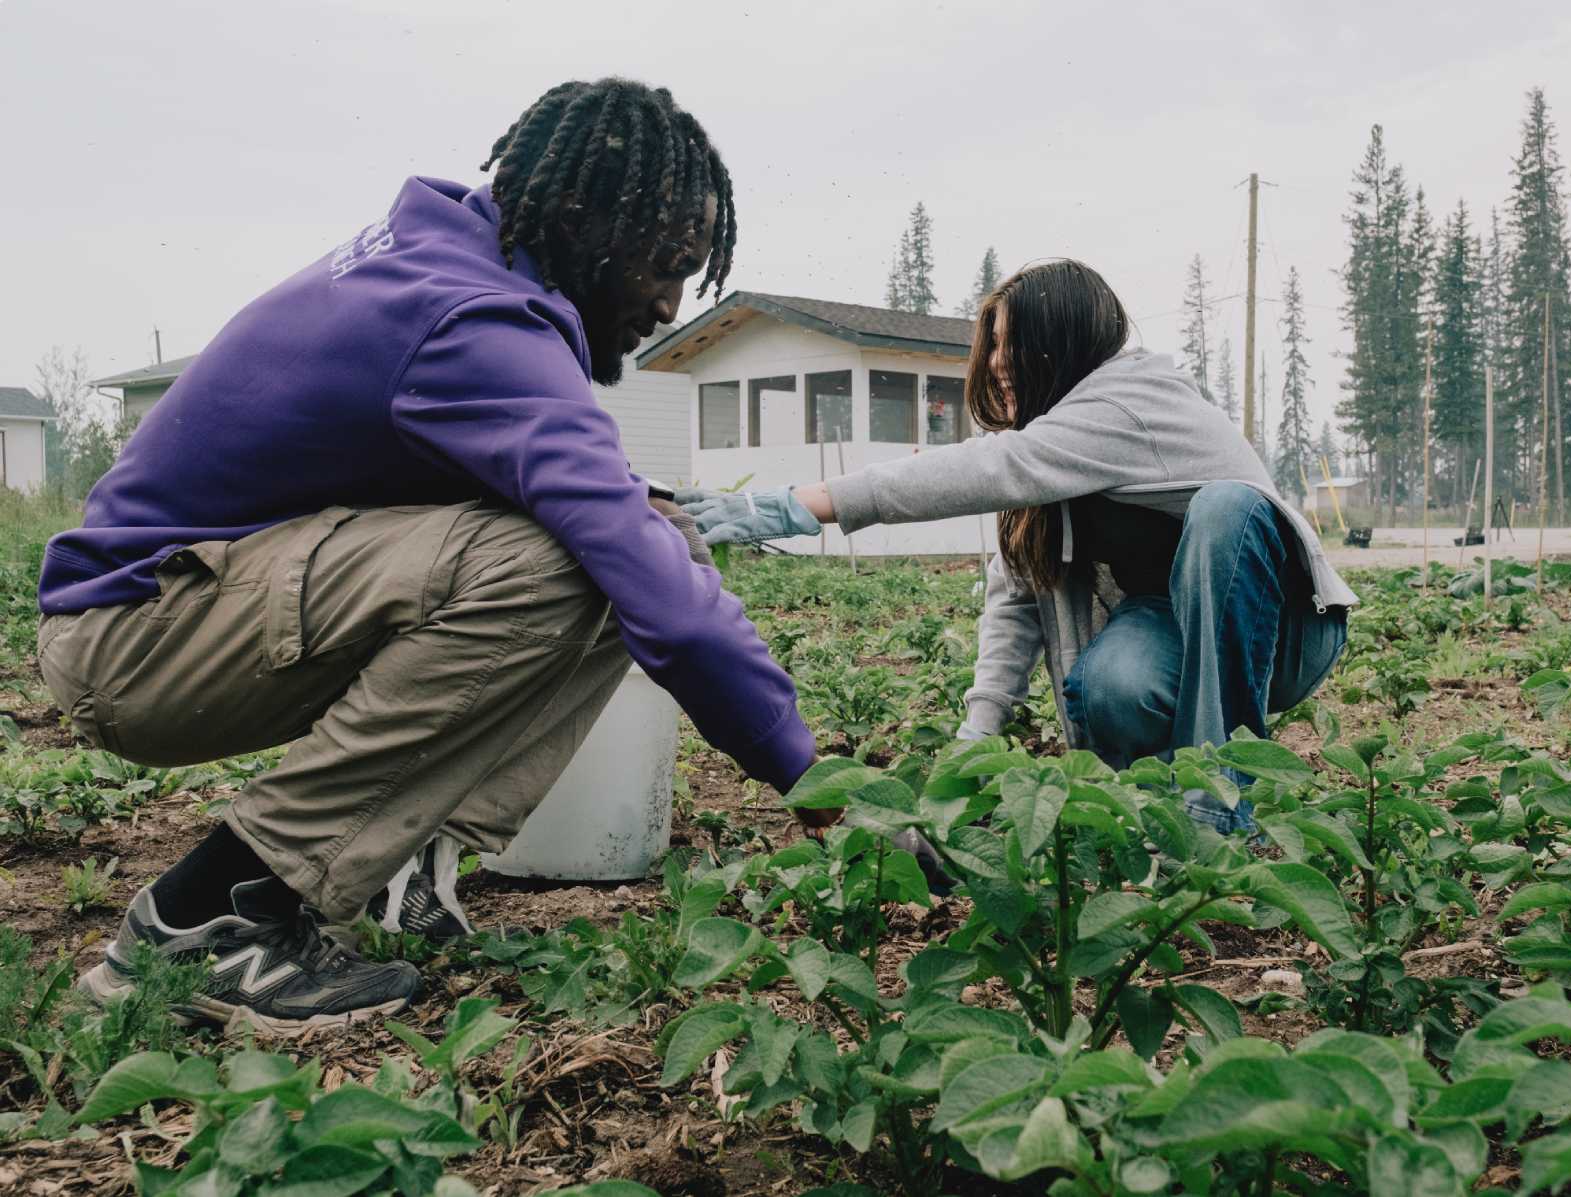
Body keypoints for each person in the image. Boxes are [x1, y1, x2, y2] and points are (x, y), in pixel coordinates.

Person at [38, 78, 819, 1034]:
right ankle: (215, 913)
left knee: (652, 535)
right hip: (135, 635)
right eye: (664, 264)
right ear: (583, 220)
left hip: (183, 608)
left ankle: (408, 849)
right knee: (587, 563)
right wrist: (816, 782)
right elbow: (650, 581)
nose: (668, 302)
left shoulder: (449, 264)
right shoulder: (473, 320)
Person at [682, 259, 1356, 831]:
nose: (999, 362)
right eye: (995, 343)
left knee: (1226, 508)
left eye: (1017, 343)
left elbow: (984, 468)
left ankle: (1217, 814)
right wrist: (972, 744)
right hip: (1172, 620)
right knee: (1110, 681)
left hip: (1285, 632)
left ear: (1067, 343)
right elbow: (1010, 605)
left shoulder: (1130, 399)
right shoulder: (1049, 457)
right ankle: (1153, 821)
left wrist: (787, 507)